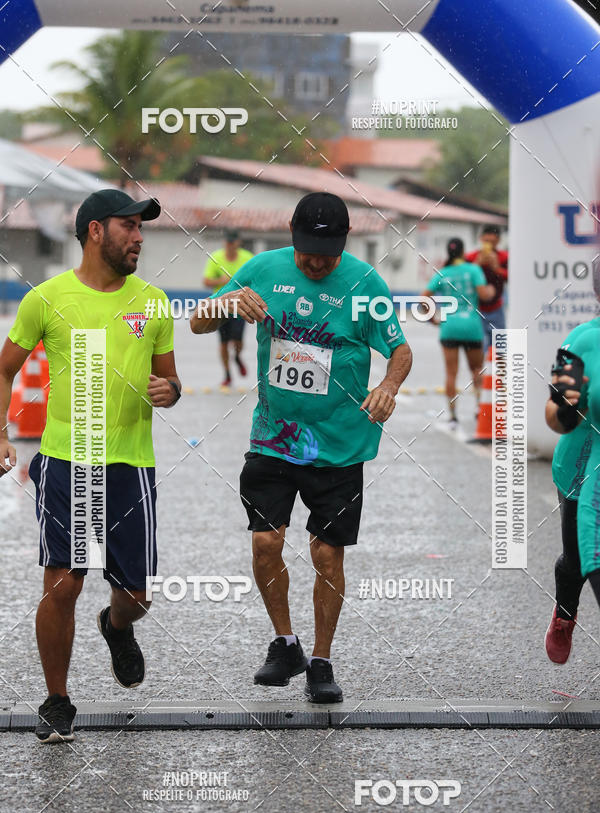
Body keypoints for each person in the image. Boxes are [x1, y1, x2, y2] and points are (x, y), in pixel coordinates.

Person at [190, 192, 412, 702]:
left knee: (326, 556)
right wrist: (228, 302)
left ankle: (321, 660)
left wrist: (388, 387)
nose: (316, 262)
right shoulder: (262, 268)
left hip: (339, 445)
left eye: (327, 254)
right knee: (265, 542)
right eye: (308, 251)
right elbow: (198, 321)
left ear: (343, 245)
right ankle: (284, 642)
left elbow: (400, 349)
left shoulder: (363, 283)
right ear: (292, 237)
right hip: (273, 437)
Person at [0, 189, 181, 742]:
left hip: (131, 464)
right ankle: (57, 700)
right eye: (129, 226)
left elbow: (172, 382)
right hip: (65, 462)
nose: (140, 237)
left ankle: (116, 626)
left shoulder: (152, 302)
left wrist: (169, 390)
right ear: (95, 231)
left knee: (136, 598)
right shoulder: (47, 299)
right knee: (63, 585)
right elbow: (3, 369)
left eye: (142, 228)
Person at [545, 259, 600, 662]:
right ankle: (565, 613)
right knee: (578, 561)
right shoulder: (581, 341)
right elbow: (553, 412)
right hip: (582, 470)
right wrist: (566, 408)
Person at [423, 237, 494, 427]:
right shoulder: (473, 270)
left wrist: (432, 319)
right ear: (463, 252)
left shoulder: (442, 273)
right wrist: (492, 290)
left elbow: (424, 298)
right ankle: (480, 408)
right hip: (471, 326)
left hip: (449, 327)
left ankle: (453, 415)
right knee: (476, 369)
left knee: (451, 373)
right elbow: (484, 295)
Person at [203, 229, 253, 386]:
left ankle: (237, 357)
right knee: (223, 343)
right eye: (228, 242)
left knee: (237, 340)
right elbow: (206, 281)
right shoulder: (216, 258)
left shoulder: (247, 258)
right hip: (220, 306)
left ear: (238, 242)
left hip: (240, 305)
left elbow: (255, 279)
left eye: (233, 242)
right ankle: (227, 374)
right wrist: (220, 281)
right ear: (225, 242)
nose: (230, 245)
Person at [465, 225, 508, 351]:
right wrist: (476, 265)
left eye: (492, 242)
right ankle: (481, 371)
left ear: (498, 241)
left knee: (500, 349)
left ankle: (499, 371)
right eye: (486, 241)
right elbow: (464, 279)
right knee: (477, 347)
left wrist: (496, 268)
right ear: (480, 239)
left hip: (497, 308)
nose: (488, 244)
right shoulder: (471, 257)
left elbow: (513, 278)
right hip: (476, 309)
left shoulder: (504, 257)